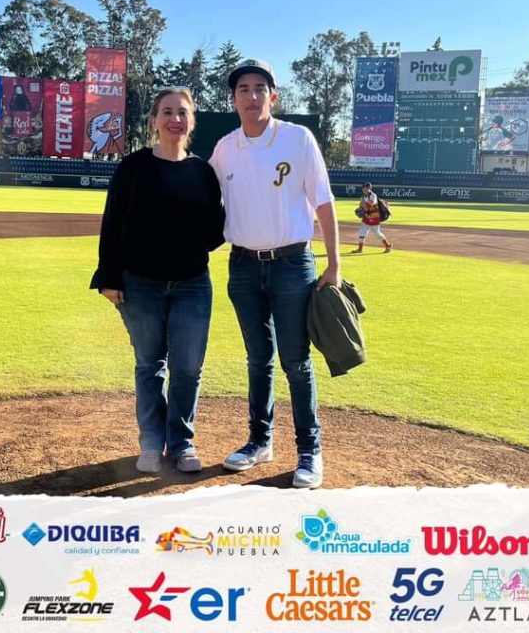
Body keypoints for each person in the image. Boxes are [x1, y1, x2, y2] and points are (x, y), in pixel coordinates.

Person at [209, 59, 341, 489]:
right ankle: (259, 441)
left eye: (259, 88)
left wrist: (334, 263)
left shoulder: (298, 139)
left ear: (273, 96)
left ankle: (309, 450)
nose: (251, 96)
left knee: (296, 361)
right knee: (258, 360)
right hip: (243, 266)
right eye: (243, 89)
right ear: (233, 100)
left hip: (292, 264)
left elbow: (323, 201)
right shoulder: (225, 149)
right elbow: (204, 201)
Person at [90, 88, 225, 475]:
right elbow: (112, 222)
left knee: (188, 367)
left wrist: (186, 243)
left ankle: (182, 442)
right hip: (140, 283)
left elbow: (216, 229)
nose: (175, 119)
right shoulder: (133, 167)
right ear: (154, 120)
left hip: (192, 283)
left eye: (182, 113)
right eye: (167, 112)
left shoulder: (203, 172)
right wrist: (109, 276)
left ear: (192, 121)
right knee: (150, 365)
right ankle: (151, 442)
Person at [355, 182, 392, 253]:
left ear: (370, 189)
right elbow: (361, 206)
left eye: (367, 188)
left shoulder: (373, 195)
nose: (365, 189)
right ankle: (360, 249)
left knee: (377, 233)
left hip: (374, 217)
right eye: (364, 188)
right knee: (362, 231)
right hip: (366, 217)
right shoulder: (363, 197)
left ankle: (388, 245)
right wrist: (360, 208)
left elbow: (370, 204)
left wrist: (363, 206)